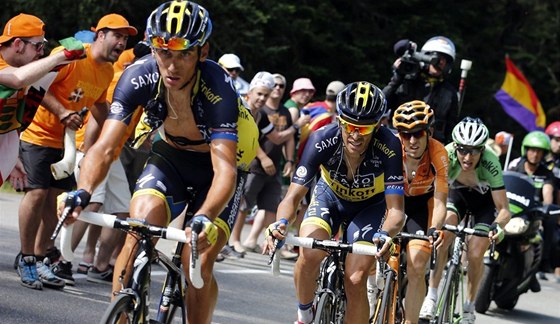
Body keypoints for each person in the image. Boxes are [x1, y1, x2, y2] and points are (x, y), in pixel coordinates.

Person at [58, 2, 258, 323]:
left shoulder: (219, 87)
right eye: (163, 53)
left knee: (198, 258)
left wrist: (205, 215)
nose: (172, 66)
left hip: (216, 167)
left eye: (183, 54)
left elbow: (225, 171)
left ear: (202, 52)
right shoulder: (138, 74)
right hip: (171, 158)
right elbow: (105, 147)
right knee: (137, 232)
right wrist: (81, 191)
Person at [265, 81, 406, 324]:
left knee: (354, 279)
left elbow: (395, 210)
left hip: (369, 208)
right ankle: (304, 315)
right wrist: (280, 223)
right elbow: (293, 196)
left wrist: (386, 233)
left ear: (378, 126)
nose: (355, 135)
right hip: (329, 198)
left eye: (363, 129)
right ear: (339, 120)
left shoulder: (390, 145)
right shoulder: (322, 138)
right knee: (309, 254)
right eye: (349, 126)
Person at [16, 13, 137, 290]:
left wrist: (114, 126)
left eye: (126, 38)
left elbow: (99, 106)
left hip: (64, 144)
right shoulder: (71, 55)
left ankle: (40, 259)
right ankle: (26, 259)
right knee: (36, 194)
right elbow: (34, 84)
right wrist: (61, 112)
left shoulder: (106, 71)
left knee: (56, 205)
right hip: (37, 134)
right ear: (100, 35)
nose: (121, 42)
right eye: (117, 35)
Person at [419, 117, 510, 323]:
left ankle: (469, 306)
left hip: (484, 203)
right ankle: (431, 296)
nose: (468, 157)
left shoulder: (491, 161)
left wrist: (497, 226)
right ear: (455, 147)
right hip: (456, 197)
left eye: (474, 151)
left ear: (482, 150)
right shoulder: (447, 154)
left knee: (476, 252)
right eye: (463, 150)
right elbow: (435, 196)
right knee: (444, 234)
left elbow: (504, 209)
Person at [0, 14, 85, 192]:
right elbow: (16, 79)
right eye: (38, 46)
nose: (41, 52)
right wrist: (61, 56)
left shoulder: (22, 70)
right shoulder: (15, 73)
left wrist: (11, 157)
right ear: (17, 44)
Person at [231, 72, 307, 256]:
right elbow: (245, 136)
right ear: (250, 92)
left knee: (271, 206)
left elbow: (277, 137)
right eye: (259, 94)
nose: (262, 98)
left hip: (259, 166)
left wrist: (289, 159)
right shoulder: (240, 107)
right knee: (241, 205)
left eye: (265, 94)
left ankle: (273, 245)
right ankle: (233, 241)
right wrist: (263, 158)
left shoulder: (263, 115)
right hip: (244, 165)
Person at [391, 101, 447, 324]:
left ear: (429, 132)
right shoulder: (391, 147)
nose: (412, 141)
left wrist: (435, 228)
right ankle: (373, 292)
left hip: (421, 207)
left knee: (416, 265)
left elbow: (442, 200)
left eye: (418, 134)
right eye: (405, 135)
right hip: (392, 201)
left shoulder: (439, 153)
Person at [383, 36, 459, 144]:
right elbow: (382, 105)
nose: (440, 62)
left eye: (444, 60)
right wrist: (397, 78)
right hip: (399, 139)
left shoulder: (450, 92)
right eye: (436, 57)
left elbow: (451, 128)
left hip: (430, 145)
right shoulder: (406, 81)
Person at [508, 131, 556, 282]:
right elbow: (505, 185)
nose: (535, 154)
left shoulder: (546, 174)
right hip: (513, 209)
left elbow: (548, 194)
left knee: (546, 228)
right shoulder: (515, 165)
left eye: (539, 151)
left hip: (532, 213)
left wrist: (545, 210)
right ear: (526, 150)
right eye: (532, 150)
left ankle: (534, 270)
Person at [544, 122, 560, 283]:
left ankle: (547, 265)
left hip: (553, 208)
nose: (559, 144)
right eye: (557, 139)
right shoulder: (538, 156)